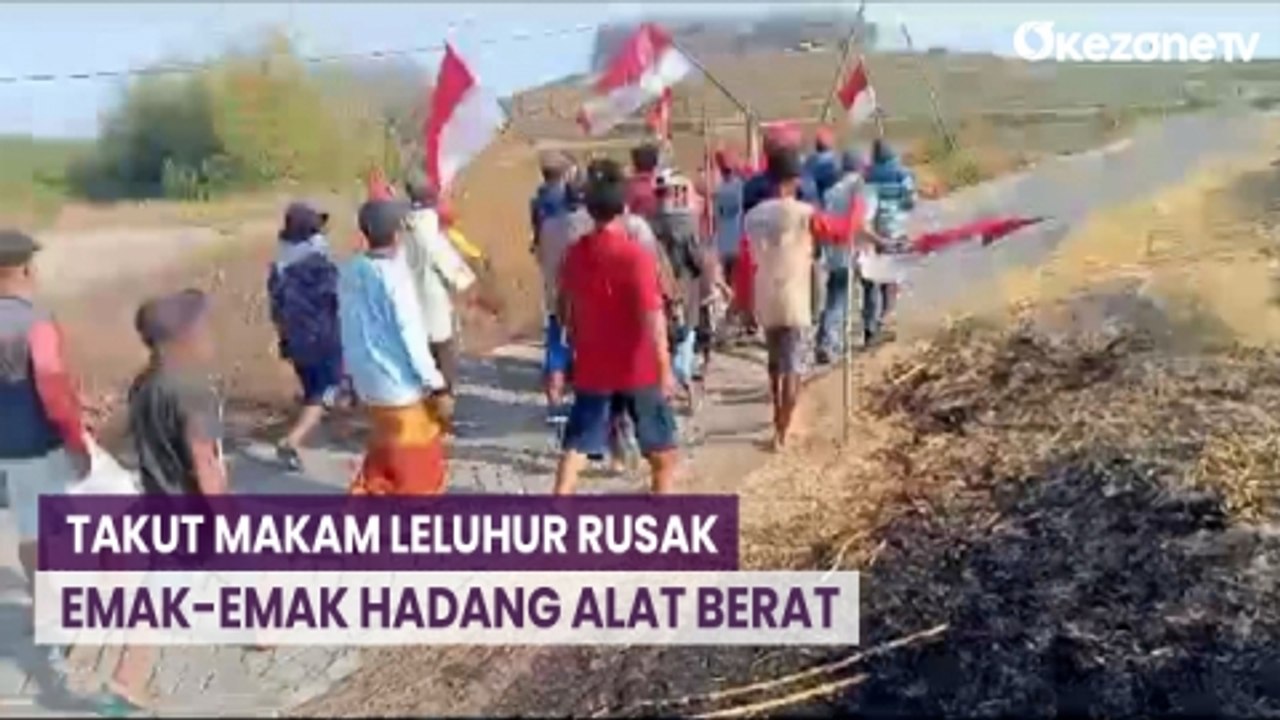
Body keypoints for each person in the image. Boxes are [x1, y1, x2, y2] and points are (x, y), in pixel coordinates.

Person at [103, 288, 228, 712]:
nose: (209, 333)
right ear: (183, 339)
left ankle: (265, 630)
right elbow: (203, 460)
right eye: (201, 326)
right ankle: (126, 678)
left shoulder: (145, 384)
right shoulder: (191, 391)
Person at [554, 158, 679, 495]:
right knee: (663, 456)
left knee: (578, 445)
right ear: (623, 206)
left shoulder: (576, 254)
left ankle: (558, 506)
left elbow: (564, 308)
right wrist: (665, 367)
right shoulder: (636, 256)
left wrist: (574, 347)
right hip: (638, 367)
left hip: (595, 364)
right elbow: (653, 315)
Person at [0, 230, 90, 679]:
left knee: (29, 530)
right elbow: (52, 387)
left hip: (6, 448)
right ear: (27, 270)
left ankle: (47, 613)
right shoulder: (35, 319)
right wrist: (77, 441)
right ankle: (63, 624)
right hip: (41, 441)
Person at [744, 148, 864, 451]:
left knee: (775, 365)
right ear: (793, 180)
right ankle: (784, 428)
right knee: (794, 364)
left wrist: (743, 303)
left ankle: (777, 419)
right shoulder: (803, 214)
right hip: (796, 294)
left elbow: (745, 264)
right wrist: (858, 206)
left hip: (764, 294)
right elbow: (841, 232)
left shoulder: (753, 217)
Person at [340, 200, 451, 496]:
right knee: (417, 466)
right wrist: (437, 385)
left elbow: (346, 326)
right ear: (398, 235)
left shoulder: (350, 271)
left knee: (384, 451)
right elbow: (412, 338)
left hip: (367, 384)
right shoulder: (395, 279)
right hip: (399, 387)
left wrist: (350, 378)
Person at [268, 202, 342, 470]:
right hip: (322, 340)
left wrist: (284, 340)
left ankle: (308, 426)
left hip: (295, 341)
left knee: (313, 388)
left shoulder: (279, 267)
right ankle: (293, 440)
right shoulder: (318, 266)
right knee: (328, 388)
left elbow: (275, 310)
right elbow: (337, 300)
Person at [402, 173, 479, 426]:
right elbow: (456, 274)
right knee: (443, 372)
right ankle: (440, 423)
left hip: (406, 311)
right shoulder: (430, 234)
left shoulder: (400, 229)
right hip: (434, 313)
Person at [534, 178, 591, 424]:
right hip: (587, 299)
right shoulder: (591, 224)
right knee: (589, 352)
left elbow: (540, 256)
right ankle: (587, 404)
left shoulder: (549, 225)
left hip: (557, 298)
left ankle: (554, 403)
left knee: (556, 351)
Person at [815, 151, 877, 365]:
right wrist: (880, 242)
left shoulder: (831, 192)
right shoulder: (864, 190)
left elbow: (825, 224)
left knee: (836, 298)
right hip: (860, 251)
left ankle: (827, 342)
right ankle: (871, 331)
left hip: (835, 252)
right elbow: (862, 224)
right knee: (871, 290)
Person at [862, 139, 919, 345]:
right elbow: (910, 202)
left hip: (870, 235)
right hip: (895, 232)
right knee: (891, 282)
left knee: (870, 284)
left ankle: (869, 328)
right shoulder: (903, 175)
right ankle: (886, 321)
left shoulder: (866, 176)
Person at [804, 127, 843, 209]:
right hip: (834, 206)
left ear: (816, 145)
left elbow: (808, 187)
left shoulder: (809, 162)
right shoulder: (837, 161)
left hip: (817, 205)